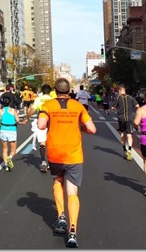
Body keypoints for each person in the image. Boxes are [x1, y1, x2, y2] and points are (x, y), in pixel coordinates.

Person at [37, 78, 96, 248]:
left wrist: (50, 121)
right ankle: (72, 232)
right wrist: (80, 127)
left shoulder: (48, 105)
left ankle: (61, 215)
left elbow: (41, 125)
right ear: (69, 91)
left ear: (55, 91)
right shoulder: (78, 106)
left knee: (57, 181)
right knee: (72, 192)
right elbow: (92, 129)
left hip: (55, 153)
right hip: (73, 154)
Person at [22, 84, 54, 172]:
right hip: (52, 122)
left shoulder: (38, 99)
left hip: (41, 121)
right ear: (50, 92)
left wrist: (26, 118)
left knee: (42, 143)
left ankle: (43, 162)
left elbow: (33, 110)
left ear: (42, 91)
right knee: (51, 143)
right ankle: (52, 162)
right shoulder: (53, 100)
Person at [111, 85, 139, 160]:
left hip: (121, 118)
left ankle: (124, 150)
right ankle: (130, 149)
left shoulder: (118, 97)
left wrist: (115, 108)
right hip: (130, 118)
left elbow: (112, 107)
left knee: (122, 133)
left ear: (119, 91)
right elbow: (137, 105)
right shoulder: (130, 97)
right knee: (129, 134)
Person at [0, 96, 20, 172]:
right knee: (13, 150)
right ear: (10, 102)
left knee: (4, 149)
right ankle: (10, 157)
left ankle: (6, 165)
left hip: (3, 130)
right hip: (12, 130)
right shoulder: (13, 111)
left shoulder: (0, 111)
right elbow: (18, 120)